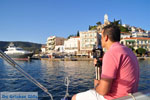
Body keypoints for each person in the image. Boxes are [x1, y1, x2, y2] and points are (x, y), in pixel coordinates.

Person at [72, 24, 139, 100]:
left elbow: (103, 91)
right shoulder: (129, 51)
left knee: (74, 97)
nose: (101, 39)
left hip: (115, 97)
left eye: (101, 37)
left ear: (106, 37)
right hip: (130, 96)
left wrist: (97, 85)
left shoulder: (111, 53)